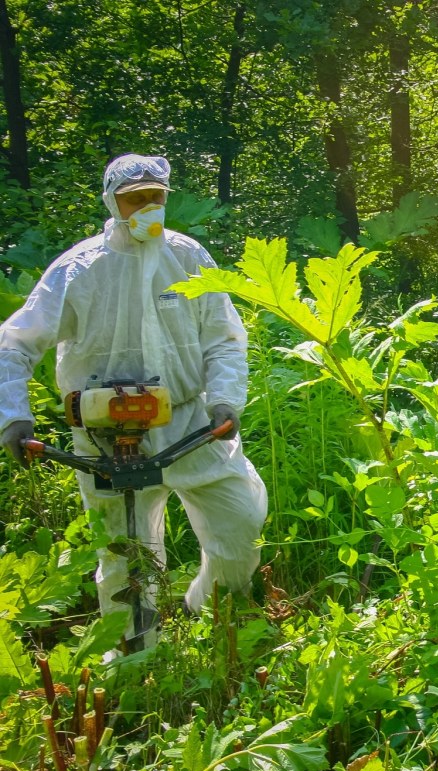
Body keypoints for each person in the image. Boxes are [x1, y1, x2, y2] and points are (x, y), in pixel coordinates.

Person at [0, 153, 266, 651]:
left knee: (241, 523)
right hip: (105, 433)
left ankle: (205, 608)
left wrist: (226, 399)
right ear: (112, 202)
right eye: (134, 198)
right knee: (126, 557)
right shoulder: (80, 269)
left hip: (190, 420)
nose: (147, 207)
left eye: (156, 197)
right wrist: (13, 418)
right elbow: (15, 344)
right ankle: (137, 662)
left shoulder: (188, 257)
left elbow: (224, 337)